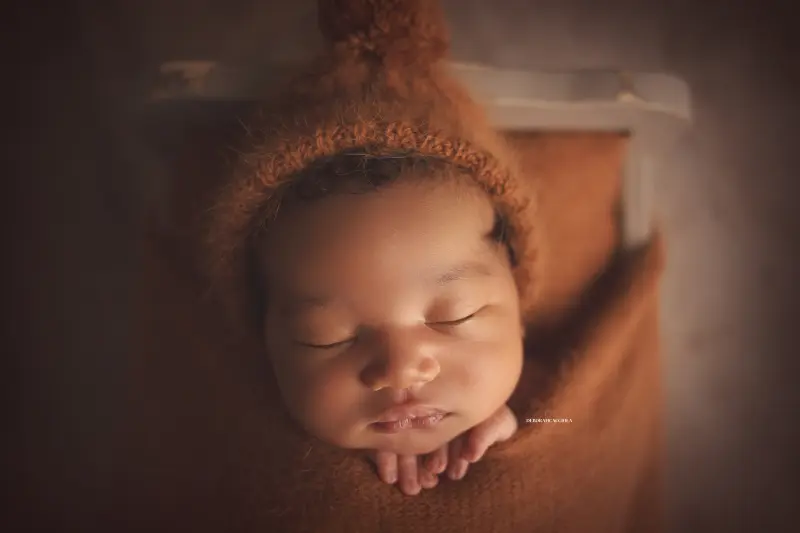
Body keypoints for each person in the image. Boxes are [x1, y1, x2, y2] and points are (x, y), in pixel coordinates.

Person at [130, 0, 666, 531]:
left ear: (519, 314)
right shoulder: (237, 409)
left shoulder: (546, 397)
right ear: (266, 343)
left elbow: (584, 422)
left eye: (454, 318)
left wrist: (516, 421)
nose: (400, 369)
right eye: (327, 338)